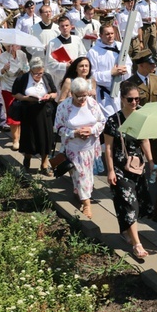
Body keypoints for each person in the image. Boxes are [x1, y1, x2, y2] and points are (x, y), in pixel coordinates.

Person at [104, 81, 155, 257]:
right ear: (122, 99)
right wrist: (110, 170)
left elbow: (145, 140)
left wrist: (150, 161)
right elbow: (109, 148)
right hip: (119, 167)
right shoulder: (113, 121)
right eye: (130, 99)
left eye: (137, 99)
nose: (134, 103)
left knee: (138, 203)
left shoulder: (140, 116)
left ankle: (126, 231)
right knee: (129, 203)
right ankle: (137, 244)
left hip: (137, 166)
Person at [55, 77, 106, 219]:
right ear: (72, 93)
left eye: (85, 95)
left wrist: (91, 131)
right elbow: (58, 127)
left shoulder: (92, 103)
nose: (83, 99)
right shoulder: (63, 107)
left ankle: (80, 192)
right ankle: (87, 204)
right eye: (79, 96)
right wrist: (74, 133)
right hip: (73, 149)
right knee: (81, 175)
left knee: (86, 175)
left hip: (90, 147)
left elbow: (102, 121)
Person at [12, 58, 58, 174]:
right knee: (29, 138)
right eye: (35, 73)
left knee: (46, 138)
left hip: (44, 112)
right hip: (29, 112)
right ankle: (27, 160)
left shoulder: (47, 77)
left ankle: (44, 164)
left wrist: (49, 96)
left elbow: (54, 92)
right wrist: (25, 98)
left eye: (40, 73)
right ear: (30, 71)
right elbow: (15, 93)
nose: (38, 75)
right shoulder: (22, 78)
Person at [87, 24, 131, 117]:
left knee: (124, 117)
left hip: (121, 90)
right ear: (101, 35)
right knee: (110, 119)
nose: (110, 36)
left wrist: (125, 71)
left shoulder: (121, 47)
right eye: (107, 34)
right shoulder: (93, 52)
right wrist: (110, 73)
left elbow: (129, 64)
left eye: (112, 33)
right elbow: (91, 76)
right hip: (105, 93)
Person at [0, 44, 29, 149]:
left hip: (21, 87)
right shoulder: (2, 57)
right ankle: (15, 140)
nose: (14, 47)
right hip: (8, 88)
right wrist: (4, 69)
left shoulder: (22, 54)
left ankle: (22, 137)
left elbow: (27, 67)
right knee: (13, 113)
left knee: (22, 113)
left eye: (15, 45)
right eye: (10, 45)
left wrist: (24, 70)